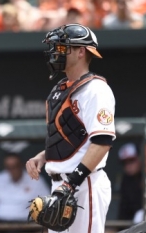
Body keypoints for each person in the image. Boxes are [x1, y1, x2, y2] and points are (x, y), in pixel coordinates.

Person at [26, 23, 116, 233]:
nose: (56, 52)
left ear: (81, 51)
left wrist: (72, 183)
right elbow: (71, 138)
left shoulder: (96, 89)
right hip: (60, 186)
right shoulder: (60, 89)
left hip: (83, 184)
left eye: (62, 47)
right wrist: (44, 156)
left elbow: (102, 142)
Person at [0, 153, 49, 232]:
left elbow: (46, 207)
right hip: (0, 225)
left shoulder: (36, 179)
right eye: (8, 167)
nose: (12, 170)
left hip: (27, 226)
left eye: (15, 167)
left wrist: (45, 228)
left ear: (21, 165)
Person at [116, 143, 143, 223]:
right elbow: (124, 211)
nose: (128, 166)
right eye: (125, 163)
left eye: (131, 161)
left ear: (140, 158)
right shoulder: (126, 181)